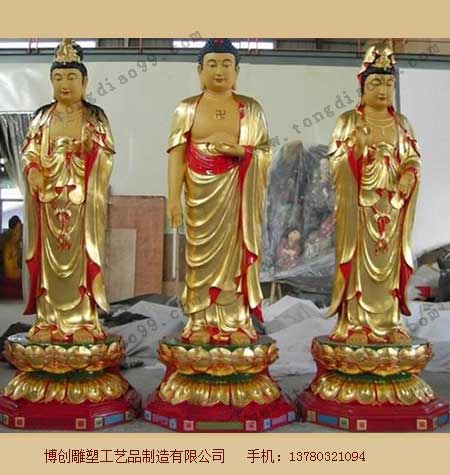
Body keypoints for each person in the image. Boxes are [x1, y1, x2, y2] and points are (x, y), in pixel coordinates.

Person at [167, 39, 271, 345]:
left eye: (226, 64)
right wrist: (173, 199)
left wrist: (238, 150)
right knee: (199, 258)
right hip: (199, 194)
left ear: (237, 71)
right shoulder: (187, 108)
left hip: (236, 193)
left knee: (233, 258)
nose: (219, 70)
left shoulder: (250, 108)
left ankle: (234, 320)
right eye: (212, 64)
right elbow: (177, 155)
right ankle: (199, 319)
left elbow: (263, 151)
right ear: (199, 71)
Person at [22, 39, 115, 344]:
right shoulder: (42, 117)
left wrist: (89, 150)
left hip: (81, 204)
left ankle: (84, 320)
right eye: (59, 77)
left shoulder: (94, 116)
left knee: (81, 262)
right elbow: (29, 150)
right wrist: (33, 169)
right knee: (50, 267)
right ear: (51, 81)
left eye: (72, 77)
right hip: (48, 203)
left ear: (84, 82)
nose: (65, 83)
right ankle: (48, 319)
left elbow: (107, 153)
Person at [327, 42, 420, 344]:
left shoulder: (401, 124)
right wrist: (358, 149)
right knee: (359, 267)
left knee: (388, 269)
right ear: (363, 86)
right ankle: (355, 323)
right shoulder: (349, 121)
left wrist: (409, 174)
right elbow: (335, 162)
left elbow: (412, 158)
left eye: (389, 83)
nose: (383, 90)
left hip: (392, 207)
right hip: (360, 208)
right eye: (376, 83)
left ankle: (389, 324)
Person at [2, 215, 22, 281]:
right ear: (12, 231)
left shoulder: (18, 244)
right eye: (18, 230)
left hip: (16, 275)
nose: (19, 233)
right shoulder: (8, 246)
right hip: (11, 279)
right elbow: (9, 273)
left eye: (20, 230)